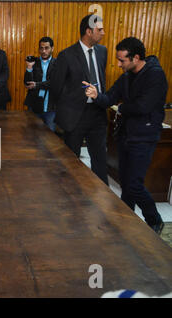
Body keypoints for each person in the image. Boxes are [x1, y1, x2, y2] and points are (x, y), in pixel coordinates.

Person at [84, 37, 167, 234]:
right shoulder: (127, 76)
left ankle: (154, 219)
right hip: (125, 135)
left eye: (122, 60)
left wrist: (122, 108)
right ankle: (125, 218)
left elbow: (144, 106)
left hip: (144, 136)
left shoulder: (155, 76)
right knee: (124, 181)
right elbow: (110, 97)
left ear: (136, 57)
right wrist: (97, 96)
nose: (119, 64)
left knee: (134, 183)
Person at [50, 14, 108, 184]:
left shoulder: (102, 52)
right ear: (88, 31)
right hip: (75, 116)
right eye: (100, 29)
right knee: (70, 163)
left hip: (97, 113)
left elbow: (101, 79)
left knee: (100, 160)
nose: (103, 33)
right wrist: (68, 106)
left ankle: (102, 200)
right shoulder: (67, 55)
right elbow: (56, 87)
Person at [24, 37, 57, 131]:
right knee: (31, 136)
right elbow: (27, 83)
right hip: (34, 107)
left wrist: (36, 85)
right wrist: (29, 68)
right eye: (41, 48)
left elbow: (54, 83)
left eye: (46, 48)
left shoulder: (58, 64)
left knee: (50, 139)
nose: (43, 51)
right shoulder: (35, 62)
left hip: (50, 108)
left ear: (52, 48)